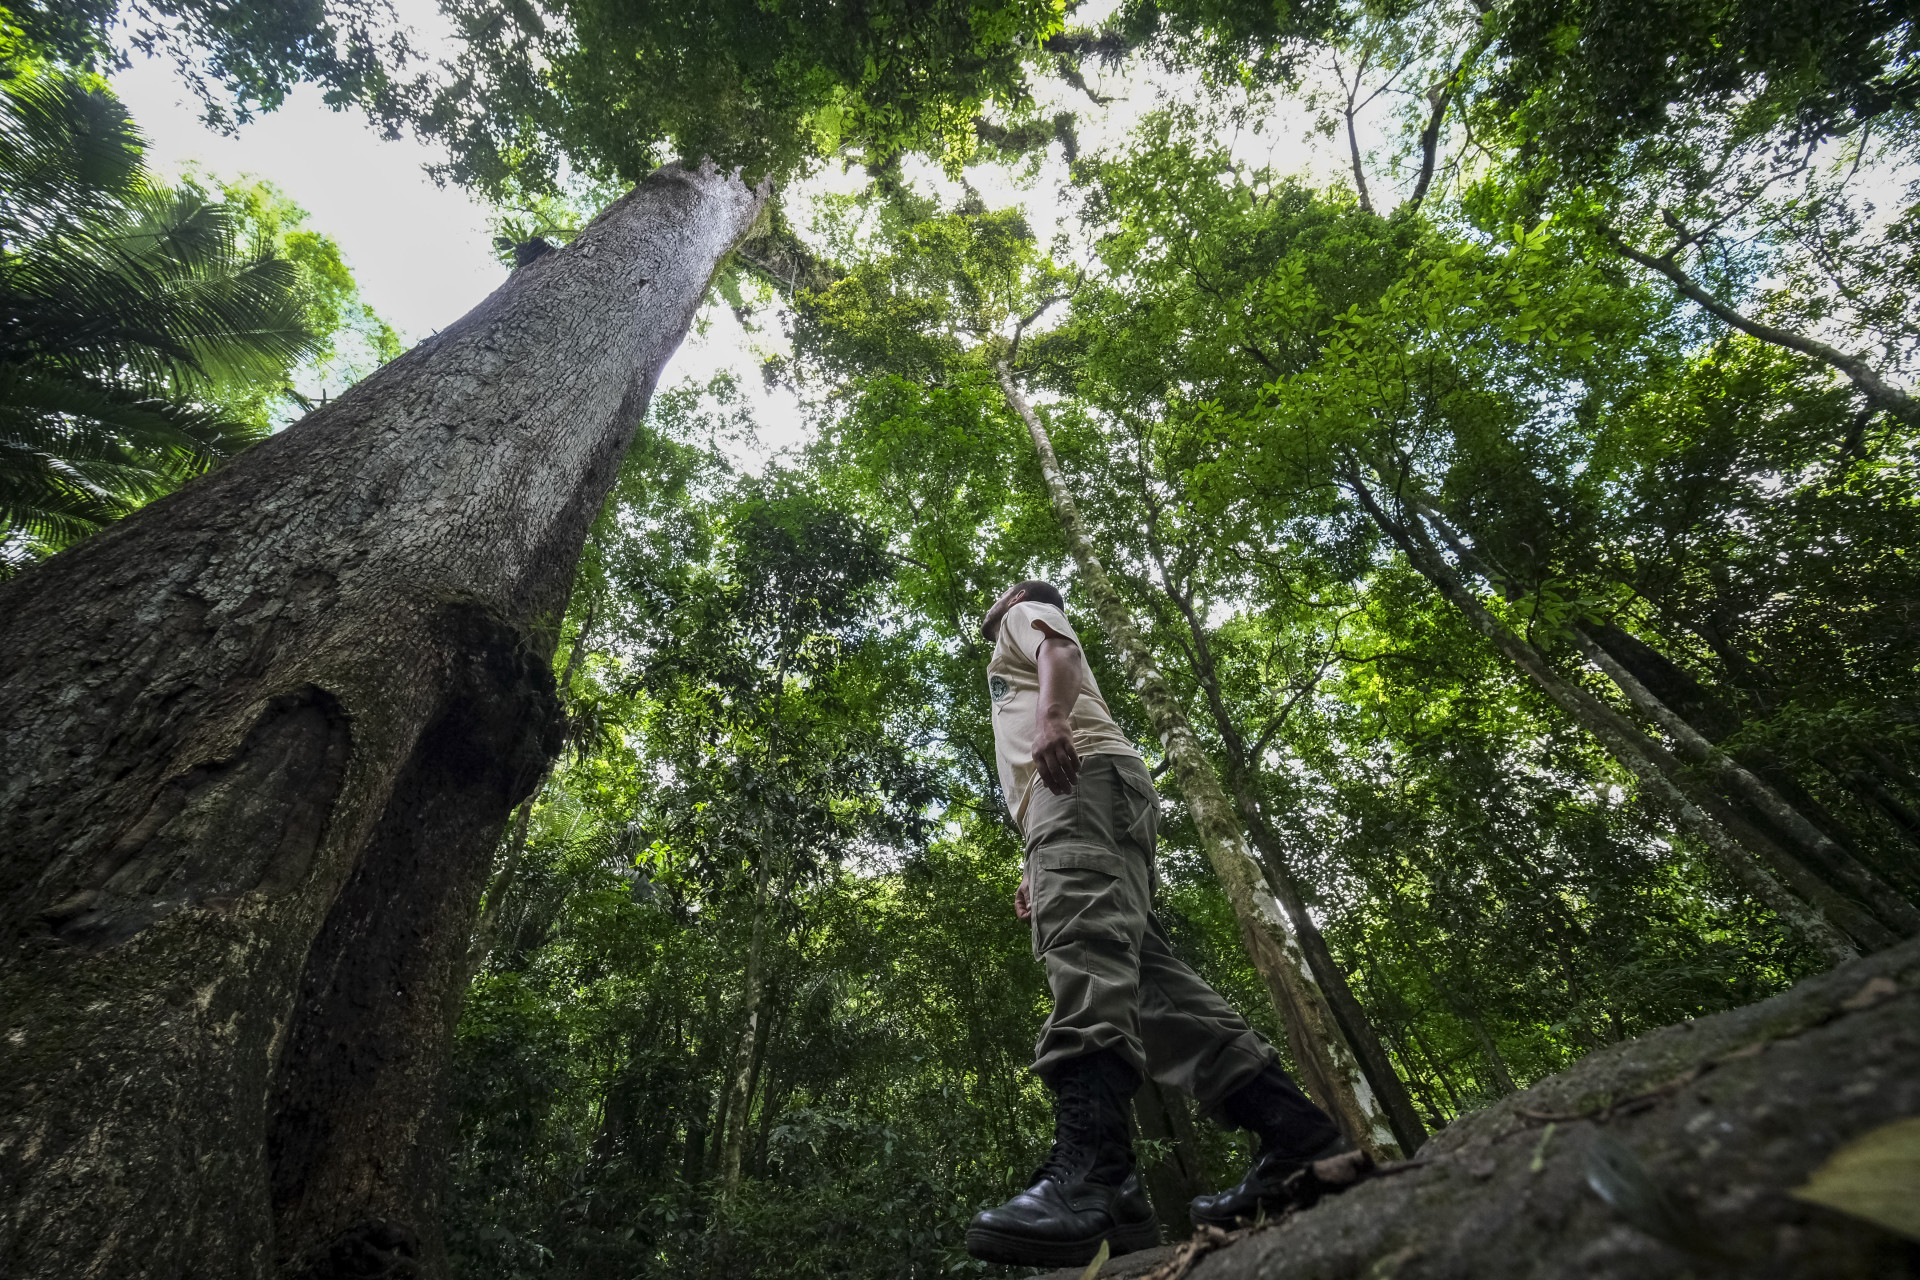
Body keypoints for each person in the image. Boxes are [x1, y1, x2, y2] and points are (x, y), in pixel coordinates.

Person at [964, 581, 1359, 1268]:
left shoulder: (1022, 616)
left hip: (1077, 780)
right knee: (1146, 985)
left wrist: (1054, 719)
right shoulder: (1008, 655)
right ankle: (1294, 1134)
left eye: (1004, 592)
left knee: (1085, 948)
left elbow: (1061, 651)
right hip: (1074, 800)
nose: (994, 601)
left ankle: (1091, 1175)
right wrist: (1036, 860)